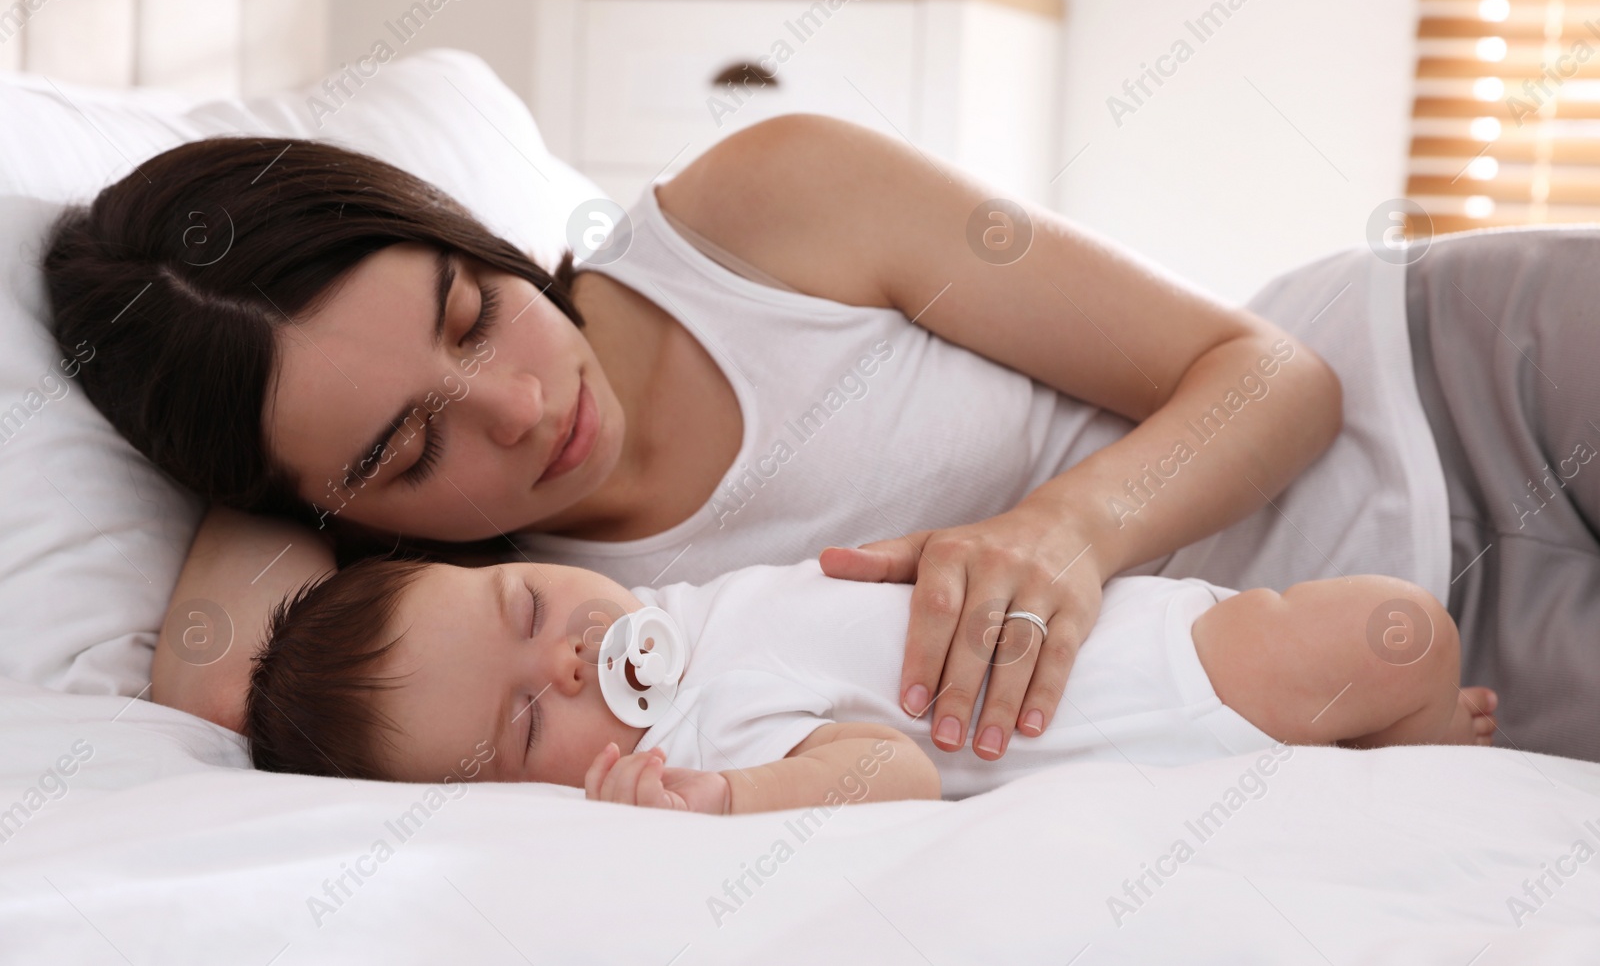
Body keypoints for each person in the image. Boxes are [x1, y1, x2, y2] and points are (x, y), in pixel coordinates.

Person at [43, 115, 1348, 765]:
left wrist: (1067, 530)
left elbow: (1279, 376)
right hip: (1346, 671)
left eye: (472, 309)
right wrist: (261, 469)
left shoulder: (761, 210)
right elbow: (220, 695)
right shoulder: (537, 626)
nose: (524, 404)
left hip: (1464, 401)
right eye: (409, 449)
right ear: (341, 513)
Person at [241, 554, 1499, 813]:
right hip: (1142, 729)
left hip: (1153, 650)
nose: (568, 657)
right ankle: (1405, 746)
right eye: (530, 717)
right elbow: (887, 766)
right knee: (1393, 643)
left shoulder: (681, 601)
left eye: (526, 606)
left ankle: (1417, 724)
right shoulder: (693, 740)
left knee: (1399, 631)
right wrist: (727, 801)